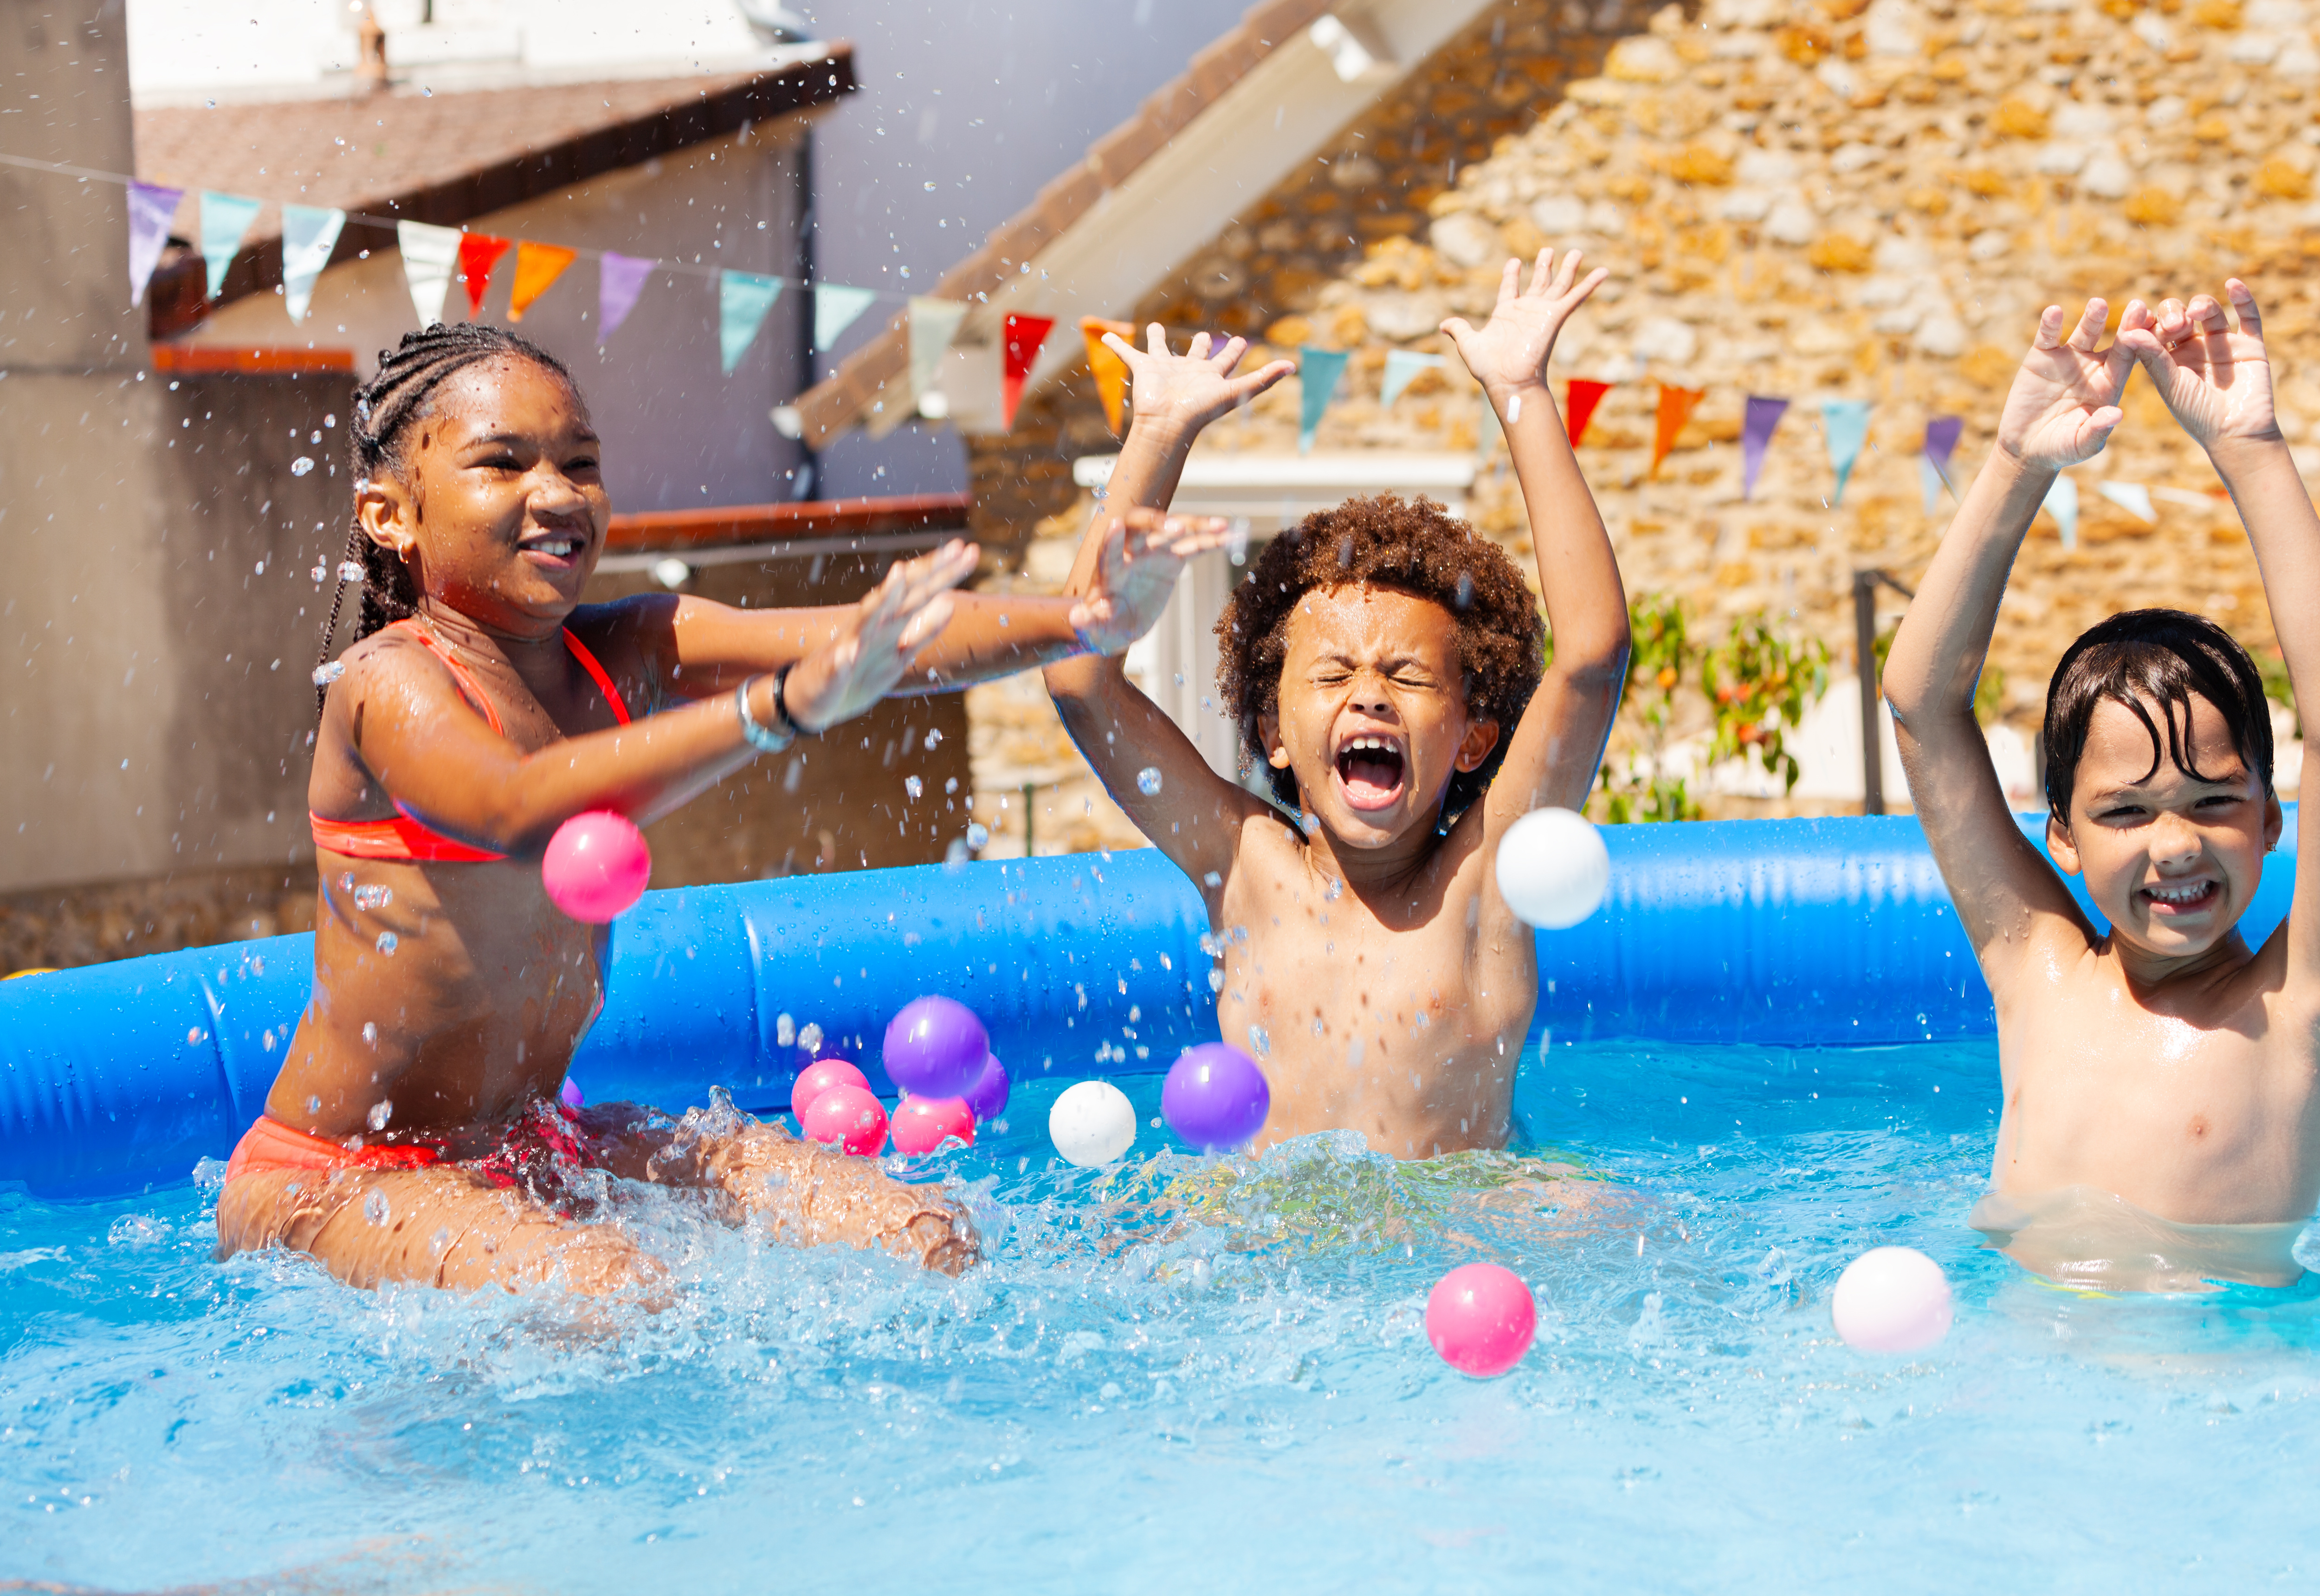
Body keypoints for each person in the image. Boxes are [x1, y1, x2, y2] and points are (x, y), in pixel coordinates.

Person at [218, 322, 1221, 1294]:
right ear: (390, 514)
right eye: (503, 463)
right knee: (612, 1291)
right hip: (343, 1175)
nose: (557, 494)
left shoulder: (628, 648)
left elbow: (885, 640)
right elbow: (517, 807)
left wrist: (1078, 619)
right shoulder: (387, 680)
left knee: (923, 1234)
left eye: (580, 462)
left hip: (534, 1142)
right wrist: (780, 708)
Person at [1043, 250, 1633, 1159]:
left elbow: (1591, 658)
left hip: (1462, 1245)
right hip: (1268, 1261)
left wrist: (1522, 394)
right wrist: (1156, 435)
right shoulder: (1244, 866)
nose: (1369, 694)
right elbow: (1079, 677)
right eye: (1331, 676)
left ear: (1474, 739)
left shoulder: (1484, 885)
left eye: (1407, 675)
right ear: (1273, 733)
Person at [1880, 285, 2320, 1292]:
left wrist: (2253, 452)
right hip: (2032, 1401)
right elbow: (1919, 708)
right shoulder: (2037, 971)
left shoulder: (2297, 1007)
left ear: (2271, 817)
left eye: (2212, 802)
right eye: (2124, 810)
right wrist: (2017, 464)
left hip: (2223, 1403)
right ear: (2058, 835)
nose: (2175, 844)